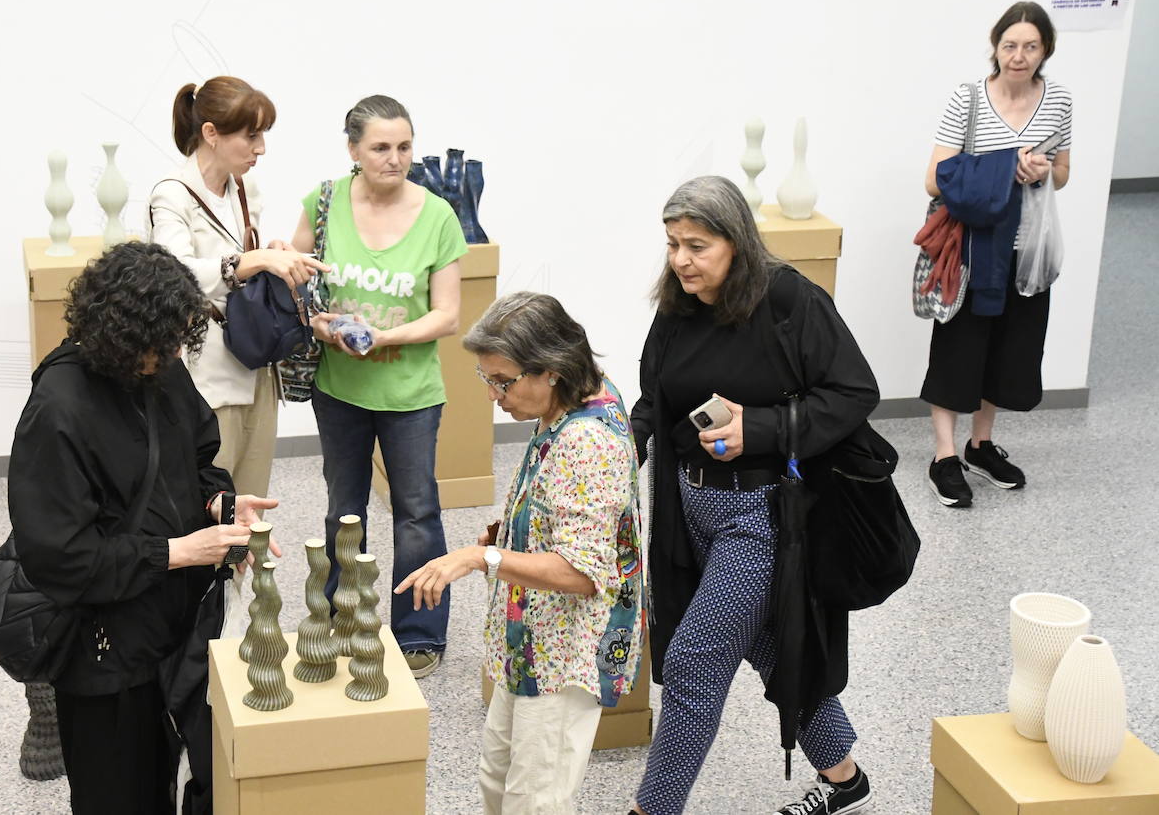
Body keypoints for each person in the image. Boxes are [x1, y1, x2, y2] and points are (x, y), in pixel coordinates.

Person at [629, 177, 879, 815]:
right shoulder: (678, 304)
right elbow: (654, 400)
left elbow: (853, 392)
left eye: (697, 245)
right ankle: (846, 779)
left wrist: (762, 428)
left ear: (736, 243)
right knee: (771, 641)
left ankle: (650, 810)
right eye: (672, 244)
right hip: (686, 511)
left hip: (761, 514)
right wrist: (613, 454)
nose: (681, 260)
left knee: (693, 662)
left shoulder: (791, 298)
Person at [7, 241, 278, 814]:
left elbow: (199, 459)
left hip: (174, 637)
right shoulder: (59, 409)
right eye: (166, 342)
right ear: (124, 336)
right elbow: (61, 558)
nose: (178, 351)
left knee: (170, 778)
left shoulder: (161, 369)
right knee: (119, 794)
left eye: (181, 338)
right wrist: (179, 552)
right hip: (105, 659)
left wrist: (219, 503)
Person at [395, 291, 645, 814]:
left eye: (502, 381)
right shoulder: (565, 403)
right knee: (498, 777)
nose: (492, 394)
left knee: (535, 799)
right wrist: (510, 533)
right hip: (530, 638)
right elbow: (563, 506)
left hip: (562, 653)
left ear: (549, 370)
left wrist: (480, 558)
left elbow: (581, 572)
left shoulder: (588, 442)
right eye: (486, 378)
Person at [291, 94, 468, 678]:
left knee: (416, 511)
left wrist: (384, 337)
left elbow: (447, 315)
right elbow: (295, 282)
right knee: (344, 508)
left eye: (404, 147)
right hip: (338, 388)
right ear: (353, 150)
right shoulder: (323, 201)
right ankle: (344, 616)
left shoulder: (438, 215)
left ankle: (418, 631)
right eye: (381, 148)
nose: (395, 159)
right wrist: (320, 323)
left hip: (410, 393)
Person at [921, 1, 1072, 508]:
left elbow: (1064, 172)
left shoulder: (1059, 102)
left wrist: (1043, 170)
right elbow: (933, 177)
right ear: (996, 46)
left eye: (1031, 46)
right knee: (958, 350)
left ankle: (980, 445)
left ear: (1045, 49)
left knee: (1009, 350)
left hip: (1027, 249)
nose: (1019, 56)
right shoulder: (967, 99)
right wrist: (1007, 166)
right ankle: (944, 455)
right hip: (972, 249)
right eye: (1010, 45)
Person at [148, 76, 327, 499]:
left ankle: (247, 569)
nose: (260, 148)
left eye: (262, 134)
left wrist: (271, 253)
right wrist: (258, 259)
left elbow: (240, 263)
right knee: (207, 498)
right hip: (206, 374)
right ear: (211, 133)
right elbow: (175, 274)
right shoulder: (171, 196)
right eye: (251, 136)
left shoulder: (244, 189)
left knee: (251, 500)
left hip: (257, 364)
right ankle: (212, 569)